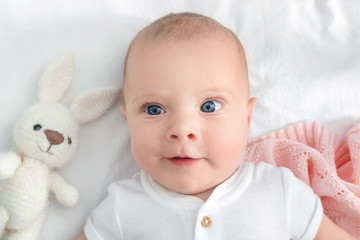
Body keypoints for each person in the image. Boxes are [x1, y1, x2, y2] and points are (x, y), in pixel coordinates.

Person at [76, 12, 356, 239]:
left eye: (209, 106)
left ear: (247, 119)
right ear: (128, 122)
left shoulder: (280, 192)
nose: (182, 129)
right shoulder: (123, 207)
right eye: (154, 109)